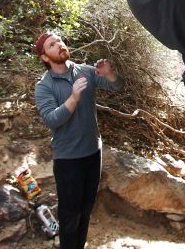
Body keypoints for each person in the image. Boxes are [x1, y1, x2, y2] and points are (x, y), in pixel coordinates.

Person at [33, 32, 124, 249]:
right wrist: (73, 98)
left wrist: (110, 74)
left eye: (60, 41)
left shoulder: (84, 71)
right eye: (52, 45)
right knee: (70, 216)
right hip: (68, 159)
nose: (59, 45)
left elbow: (117, 85)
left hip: (93, 152)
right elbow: (52, 120)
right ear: (45, 57)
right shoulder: (44, 86)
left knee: (85, 211)